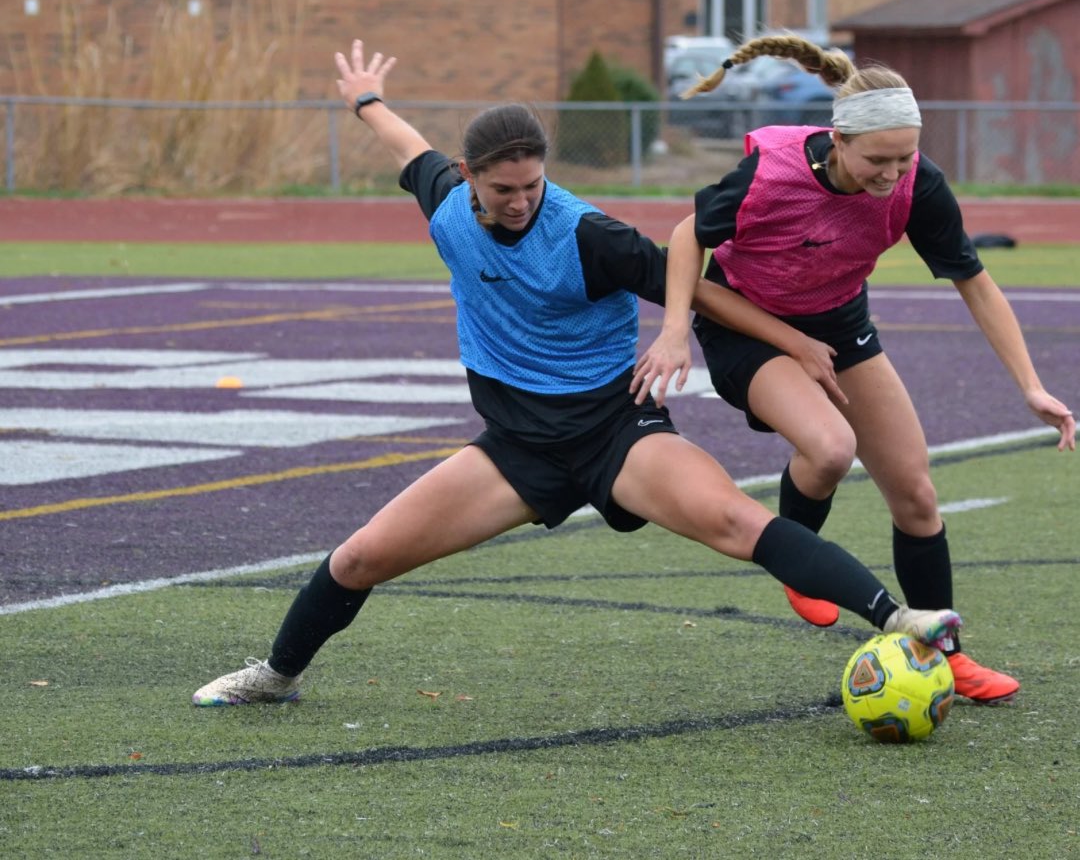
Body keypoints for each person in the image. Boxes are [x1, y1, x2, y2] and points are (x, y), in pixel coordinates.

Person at [192, 38, 961, 707]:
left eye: (533, 185)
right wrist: (366, 100)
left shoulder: (589, 234)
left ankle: (899, 618)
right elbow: (406, 146)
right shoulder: (447, 203)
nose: (521, 202)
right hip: (518, 448)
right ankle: (277, 675)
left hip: (616, 434)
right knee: (361, 556)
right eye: (503, 190)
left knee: (736, 522)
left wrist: (784, 341)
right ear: (467, 177)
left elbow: (699, 288)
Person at [633, 33, 1075, 705]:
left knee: (917, 494)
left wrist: (1032, 386)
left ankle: (946, 654)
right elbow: (687, 234)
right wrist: (673, 333)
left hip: (840, 327)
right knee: (831, 449)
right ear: (838, 140)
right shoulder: (772, 174)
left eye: (904, 157)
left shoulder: (918, 183)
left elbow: (976, 283)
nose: (892, 174)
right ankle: (798, 559)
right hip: (744, 325)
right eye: (877, 159)